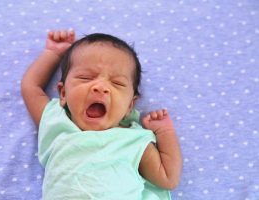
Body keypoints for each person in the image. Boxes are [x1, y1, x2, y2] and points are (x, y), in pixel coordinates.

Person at [21, 29, 182, 200]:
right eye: (85, 77)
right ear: (63, 93)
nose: (100, 87)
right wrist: (52, 54)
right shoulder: (56, 122)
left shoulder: (133, 139)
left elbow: (167, 178)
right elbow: (31, 87)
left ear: (129, 105)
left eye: (117, 83)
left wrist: (165, 133)